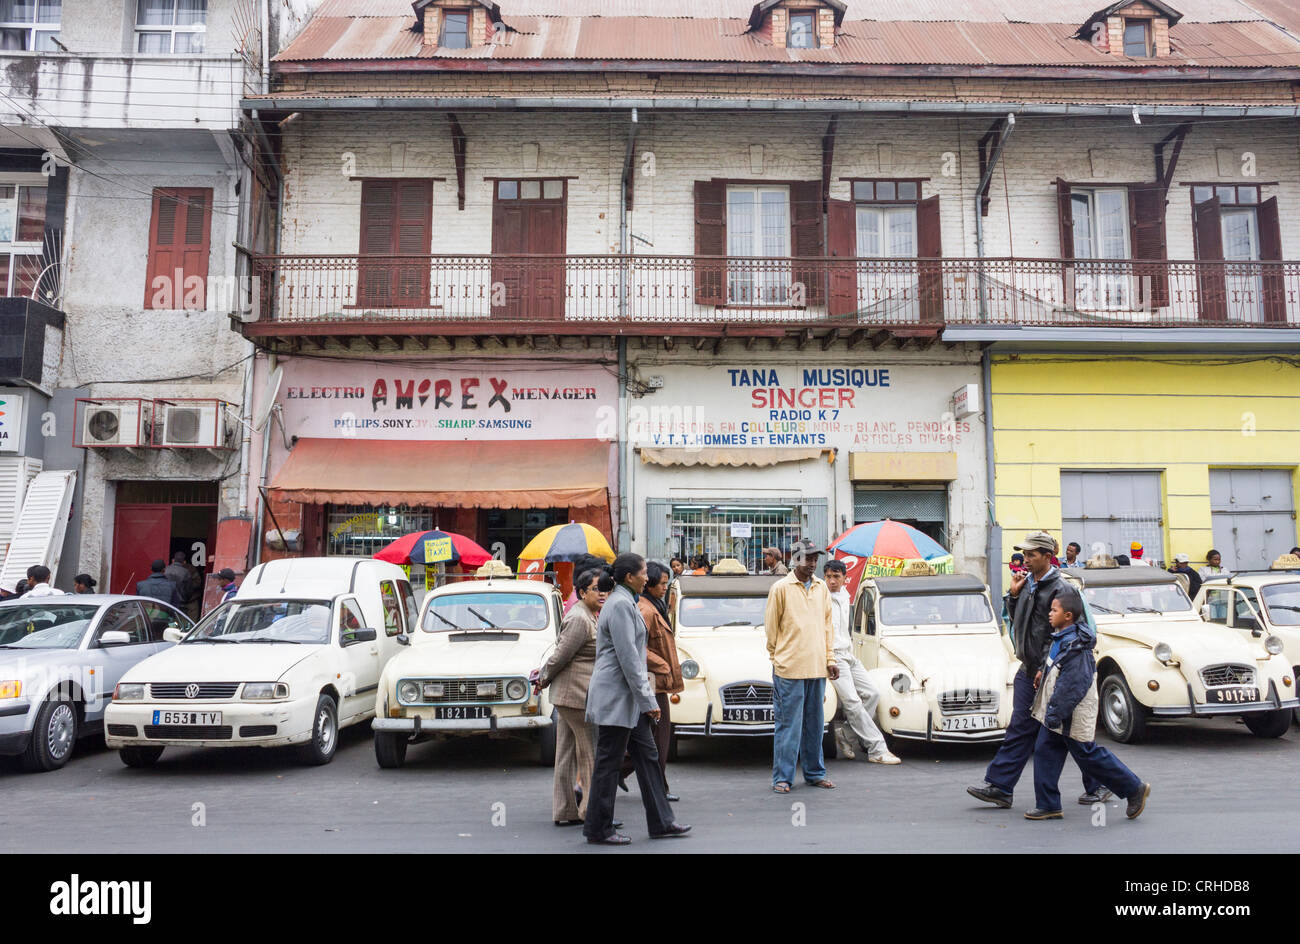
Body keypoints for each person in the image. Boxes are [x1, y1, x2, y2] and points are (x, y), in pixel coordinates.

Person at [968, 531, 1109, 810]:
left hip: (1050, 671)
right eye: (1025, 554)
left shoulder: (1063, 590)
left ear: (1048, 557)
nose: (1026, 559)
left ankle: (1101, 783)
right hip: (1029, 668)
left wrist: (1046, 666)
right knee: (1022, 727)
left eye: (1032, 555)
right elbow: (1019, 624)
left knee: (1066, 734)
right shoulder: (1029, 583)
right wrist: (1013, 595)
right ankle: (1000, 786)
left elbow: (1077, 633)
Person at [583, 553, 689, 845]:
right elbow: (630, 660)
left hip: (628, 698)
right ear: (629, 577)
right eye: (643, 573)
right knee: (609, 762)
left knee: (648, 757)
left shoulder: (626, 601)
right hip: (617, 697)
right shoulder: (619, 605)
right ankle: (598, 829)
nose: (648, 577)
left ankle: (662, 822)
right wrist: (649, 702)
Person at [1026, 588, 1150, 821]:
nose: (1049, 614)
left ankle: (1134, 788)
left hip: (1069, 713)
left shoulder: (1075, 645)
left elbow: (1073, 685)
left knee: (1088, 755)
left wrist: (1055, 713)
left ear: (1068, 616)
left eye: (1054, 610)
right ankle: (1048, 804)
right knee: (1045, 751)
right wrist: (1044, 672)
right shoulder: (1062, 638)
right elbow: (1057, 671)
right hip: (1058, 711)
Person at [765, 538, 839, 794]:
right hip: (789, 669)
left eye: (815, 558)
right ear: (796, 559)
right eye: (808, 558)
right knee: (788, 726)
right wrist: (779, 658)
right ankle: (783, 777)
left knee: (815, 725)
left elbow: (828, 628)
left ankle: (815, 772)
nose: (813, 563)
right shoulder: (781, 588)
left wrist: (830, 659)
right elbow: (771, 630)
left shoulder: (821, 588)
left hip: (817, 668)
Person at [538, 567, 610, 827]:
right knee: (590, 754)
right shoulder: (579, 618)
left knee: (566, 755)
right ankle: (591, 812)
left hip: (574, 695)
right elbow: (560, 656)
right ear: (581, 592)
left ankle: (566, 810)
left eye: (604, 588)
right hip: (576, 696)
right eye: (596, 589)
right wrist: (543, 678)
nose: (602, 593)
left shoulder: (590, 614)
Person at [825, 559, 900, 765]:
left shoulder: (845, 595)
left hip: (848, 654)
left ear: (844, 578)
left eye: (836, 577)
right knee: (852, 702)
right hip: (833, 656)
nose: (831, 581)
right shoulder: (820, 597)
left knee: (873, 694)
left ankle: (846, 735)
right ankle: (877, 748)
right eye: (828, 576)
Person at [636, 561, 683, 801]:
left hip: (657, 683)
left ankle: (658, 785)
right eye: (662, 583)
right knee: (658, 738)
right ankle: (656, 786)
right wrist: (662, 665)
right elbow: (637, 647)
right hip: (652, 682)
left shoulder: (655, 606)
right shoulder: (646, 610)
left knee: (654, 738)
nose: (665, 587)